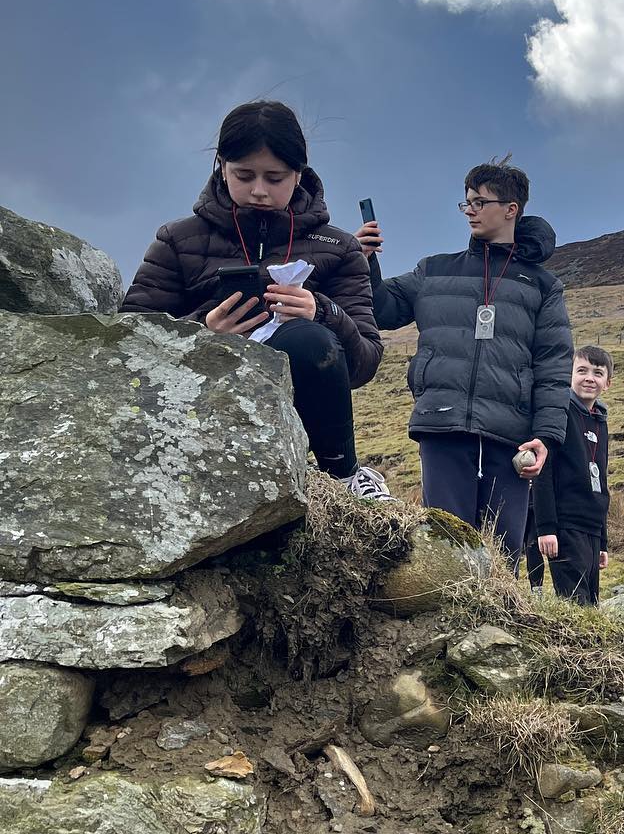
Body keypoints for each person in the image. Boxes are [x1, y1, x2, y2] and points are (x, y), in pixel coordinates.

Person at [121, 100, 390, 499]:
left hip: (305, 406)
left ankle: (344, 476)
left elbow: (364, 364)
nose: (259, 191)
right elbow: (129, 340)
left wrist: (323, 312)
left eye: (275, 177)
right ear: (221, 165)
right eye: (243, 175)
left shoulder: (340, 248)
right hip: (197, 411)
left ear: (299, 174)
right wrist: (202, 330)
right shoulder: (176, 241)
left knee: (307, 339)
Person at [357, 157, 572, 563]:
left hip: (510, 433)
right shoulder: (433, 271)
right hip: (442, 422)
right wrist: (365, 262)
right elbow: (381, 309)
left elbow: (554, 366)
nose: (470, 210)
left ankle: (497, 625)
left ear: (511, 209)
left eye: (480, 202)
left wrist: (545, 436)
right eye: (466, 202)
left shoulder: (543, 286)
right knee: (444, 545)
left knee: (503, 551)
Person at [526, 345, 613, 604]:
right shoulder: (558, 414)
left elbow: (601, 481)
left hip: (591, 528)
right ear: (570, 375)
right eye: (582, 371)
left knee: (591, 602)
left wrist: (603, 541)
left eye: (597, 373)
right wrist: (546, 528)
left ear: (607, 382)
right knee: (576, 603)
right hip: (565, 525)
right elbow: (543, 473)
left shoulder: (600, 422)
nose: (589, 378)